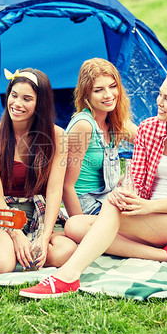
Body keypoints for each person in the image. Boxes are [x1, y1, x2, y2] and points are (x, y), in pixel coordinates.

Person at [19, 69, 167, 298]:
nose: (159, 102)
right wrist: (128, 196)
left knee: (108, 209)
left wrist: (140, 204)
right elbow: (132, 180)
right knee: (75, 225)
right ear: (86, 95)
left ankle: (67, 276)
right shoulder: (142, 128)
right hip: (140, 213)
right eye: (160, 95)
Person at [0, 68, 77, 274]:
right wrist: (16, 235)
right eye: (14, 96)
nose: (17, 104)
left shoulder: (58, 136)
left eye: (27, 99)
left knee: (65, 252)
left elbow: (54, 192)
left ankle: (24, 248)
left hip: (39, 209)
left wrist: (44, 237)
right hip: (5, 211)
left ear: (40, 104)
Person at [62, 58, 137, 217]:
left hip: (109, 198)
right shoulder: (84, 125)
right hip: (86, 204)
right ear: (86, 95)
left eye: (112, 86)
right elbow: (66, 186)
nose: (108, 95)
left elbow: (148, 141)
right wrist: (80, 224)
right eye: (98, 90)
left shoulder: (115, 120)